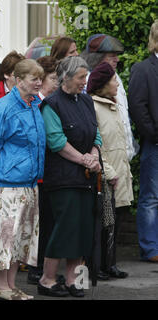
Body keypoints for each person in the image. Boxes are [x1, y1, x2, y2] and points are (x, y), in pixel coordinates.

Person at [0, 59, 46, 300]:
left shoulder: (34, 105)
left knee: (22, 237)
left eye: (40, 78)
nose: (39, 82)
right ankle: (0, 285)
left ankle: (10, 284)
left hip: (29, 182)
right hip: (9, 182)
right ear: (18, 80)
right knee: (7, 235)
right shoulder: (4, 106)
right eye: (33, 78)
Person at [39, 56, 102, 298]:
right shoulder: (52, 105)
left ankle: (73, 280)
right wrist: (84, 159)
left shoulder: (85, 100)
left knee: (83, 228)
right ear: (66, 78)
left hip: (86, 176)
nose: (84, 82)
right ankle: (47, 279)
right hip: (62, 178)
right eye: (81, 77)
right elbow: (56, 142)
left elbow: (96, 133)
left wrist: (94, 154)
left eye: (85, 77)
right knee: (64, 228)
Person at [87, 62, 133, 278]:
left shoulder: (112, 105)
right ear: (103, 84)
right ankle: (99, 265)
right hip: (107, 175)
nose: (117, 84)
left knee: (116, 219)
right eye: (114, 80)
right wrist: (109, 171)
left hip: (120, 172)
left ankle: (110, 263)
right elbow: (97, 144)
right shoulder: (94, 107)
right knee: (105, 221)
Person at [27, 55, 60, 285]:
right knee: (38, 222)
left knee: (48, 221)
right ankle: (35, 268)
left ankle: (43, 267)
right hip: (34, 173)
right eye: (53, 78)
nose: (56, 82)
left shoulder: (54, 102)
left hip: (50, 172)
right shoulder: (34, 103)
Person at [81, 34, 138, 163]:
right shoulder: (86, 81)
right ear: (97, 58)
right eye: (112, 56)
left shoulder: (115, 76)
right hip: (106, 161)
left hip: (123, 157)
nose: (117, 59)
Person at [128, 20, 158, 263]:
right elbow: (137, 107)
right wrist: (154, 135)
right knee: (151, 198)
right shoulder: (143, 69)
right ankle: (151, 249)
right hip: (155, 145)